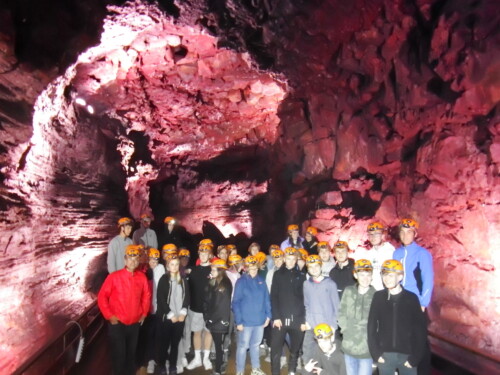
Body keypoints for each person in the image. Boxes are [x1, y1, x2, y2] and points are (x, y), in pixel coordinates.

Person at [367, 260, 427, 375]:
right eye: (384, 275)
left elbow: (420, 330)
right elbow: (371, 326)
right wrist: (376, 353)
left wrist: (415, 358)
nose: (386, 278)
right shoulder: (378, 297)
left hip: (407, 355)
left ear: (400, 277)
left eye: (390, 275)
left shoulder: (411, 298)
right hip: (385, 355)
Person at [98, 244, 151, 375]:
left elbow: (146, 296)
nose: (133, 261)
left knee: (131, 354)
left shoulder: (141, 277)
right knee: (119, 356)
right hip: (118, 324)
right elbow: (102, 297)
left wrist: (144, 313)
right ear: (125, 259)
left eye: (136, 259)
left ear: (138, 260)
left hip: (134, 323)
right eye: (130, 258)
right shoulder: (114, 277)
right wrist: (110, 316)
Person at [393, 218, 434, 375]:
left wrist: (423, 302)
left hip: (416, 302)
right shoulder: (397, 253)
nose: (405, 235)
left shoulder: (422, 254)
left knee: (420, 339)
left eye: (409, 232)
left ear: (414, 234)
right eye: (402, 232)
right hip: (400, 301)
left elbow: (427, 278)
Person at [232, 255, 271, 375]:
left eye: (255, 267)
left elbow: (266, 299)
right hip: (246, 322)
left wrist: (268, 316)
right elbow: (236, 302)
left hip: (259, 320)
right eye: (250, 267)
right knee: (243, 346)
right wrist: (238, 322)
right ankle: (240, 370)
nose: (253, 270)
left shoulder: (261, 280)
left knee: (255, 345)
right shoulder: (241, 281)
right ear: (246, 268)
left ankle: (256, 368)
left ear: (257, 267)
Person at [270, 248, 306, 375]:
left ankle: (291, 370)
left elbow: (304, 299)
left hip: (297, 319)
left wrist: (303, 320)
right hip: (281, 319)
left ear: (296, 260)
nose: (290, 262)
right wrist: (276, 317)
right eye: (288, 259)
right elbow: (273, 296)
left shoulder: (301, 276)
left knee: (295, 349)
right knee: (275, 349)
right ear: (284, 259)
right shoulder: (278, 275)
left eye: (293, 259)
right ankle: (275, 372)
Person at [338, 259, 376, 375]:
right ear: (355, 275)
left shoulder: (376, 295)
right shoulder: (348, 291)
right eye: (361, 275)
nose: (365, 278)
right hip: (349, 345)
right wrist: (345, 329)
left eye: (368, 275)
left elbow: (379, 322)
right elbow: (341, 312)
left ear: (372, 276)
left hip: (366, 348)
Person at [302, 254, 340, 366]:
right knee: (307, 356)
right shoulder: (306, 284)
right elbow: (307, 304)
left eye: (316, 266)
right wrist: (308, 321)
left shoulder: (330, 284)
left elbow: (336, 307)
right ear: (308, 269)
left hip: (327, 327)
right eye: (311, 267)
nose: (314, 269)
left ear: (321, 266)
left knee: (326, 358)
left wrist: (333, 327)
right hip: (312, 326)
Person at [156, 256, 190, 375]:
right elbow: (160, 299)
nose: (174, 267)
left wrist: (183, 312)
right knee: (164, 343)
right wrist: (170, 314)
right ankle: (161, 365)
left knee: (175, 344)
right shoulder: (163, 279)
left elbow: (187, 297)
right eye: (172, 264)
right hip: (167, 318)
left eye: (176, 264)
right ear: (167, 266)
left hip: (180, 317)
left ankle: (173, 366)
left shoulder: (183, 279)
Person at [186, 243, 213, 371]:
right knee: (196, 333)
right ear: (199, 254)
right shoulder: (193, 271)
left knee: (208, 332)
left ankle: (206, 358)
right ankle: (197, 358)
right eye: (201, 253)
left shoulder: (214, 270)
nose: (203, 255)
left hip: (210, 309)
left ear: (209, 255)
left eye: (205, 253)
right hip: (195, 308)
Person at [204, 259, 233, 375]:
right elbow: (207, 297)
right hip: (216, 318)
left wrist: (211, 319)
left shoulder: (224, 284)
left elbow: (220, 305)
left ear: (220, 271)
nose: (211, 271)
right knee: (218, 344)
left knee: (218, 345)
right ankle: (219, 367)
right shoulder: (216, 281)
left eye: (214, 270)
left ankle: (218, 369)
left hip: (219, 319)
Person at [142, 248, 165, 374]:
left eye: (156, 260)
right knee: (149, 336)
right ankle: (150, 360)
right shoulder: (144, 270)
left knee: (158, 335)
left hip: (158, 308)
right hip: (147, 309)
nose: (154, 262)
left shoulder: (161, 268)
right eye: (152, 260)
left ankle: (158, 359)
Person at [354, 222, 395, 290]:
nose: (373, 237)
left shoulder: (391, 252)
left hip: (386, 291)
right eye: (370, 234)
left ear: (382, 235)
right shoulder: (368, 254)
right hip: (372, 292)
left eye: (376, 234)